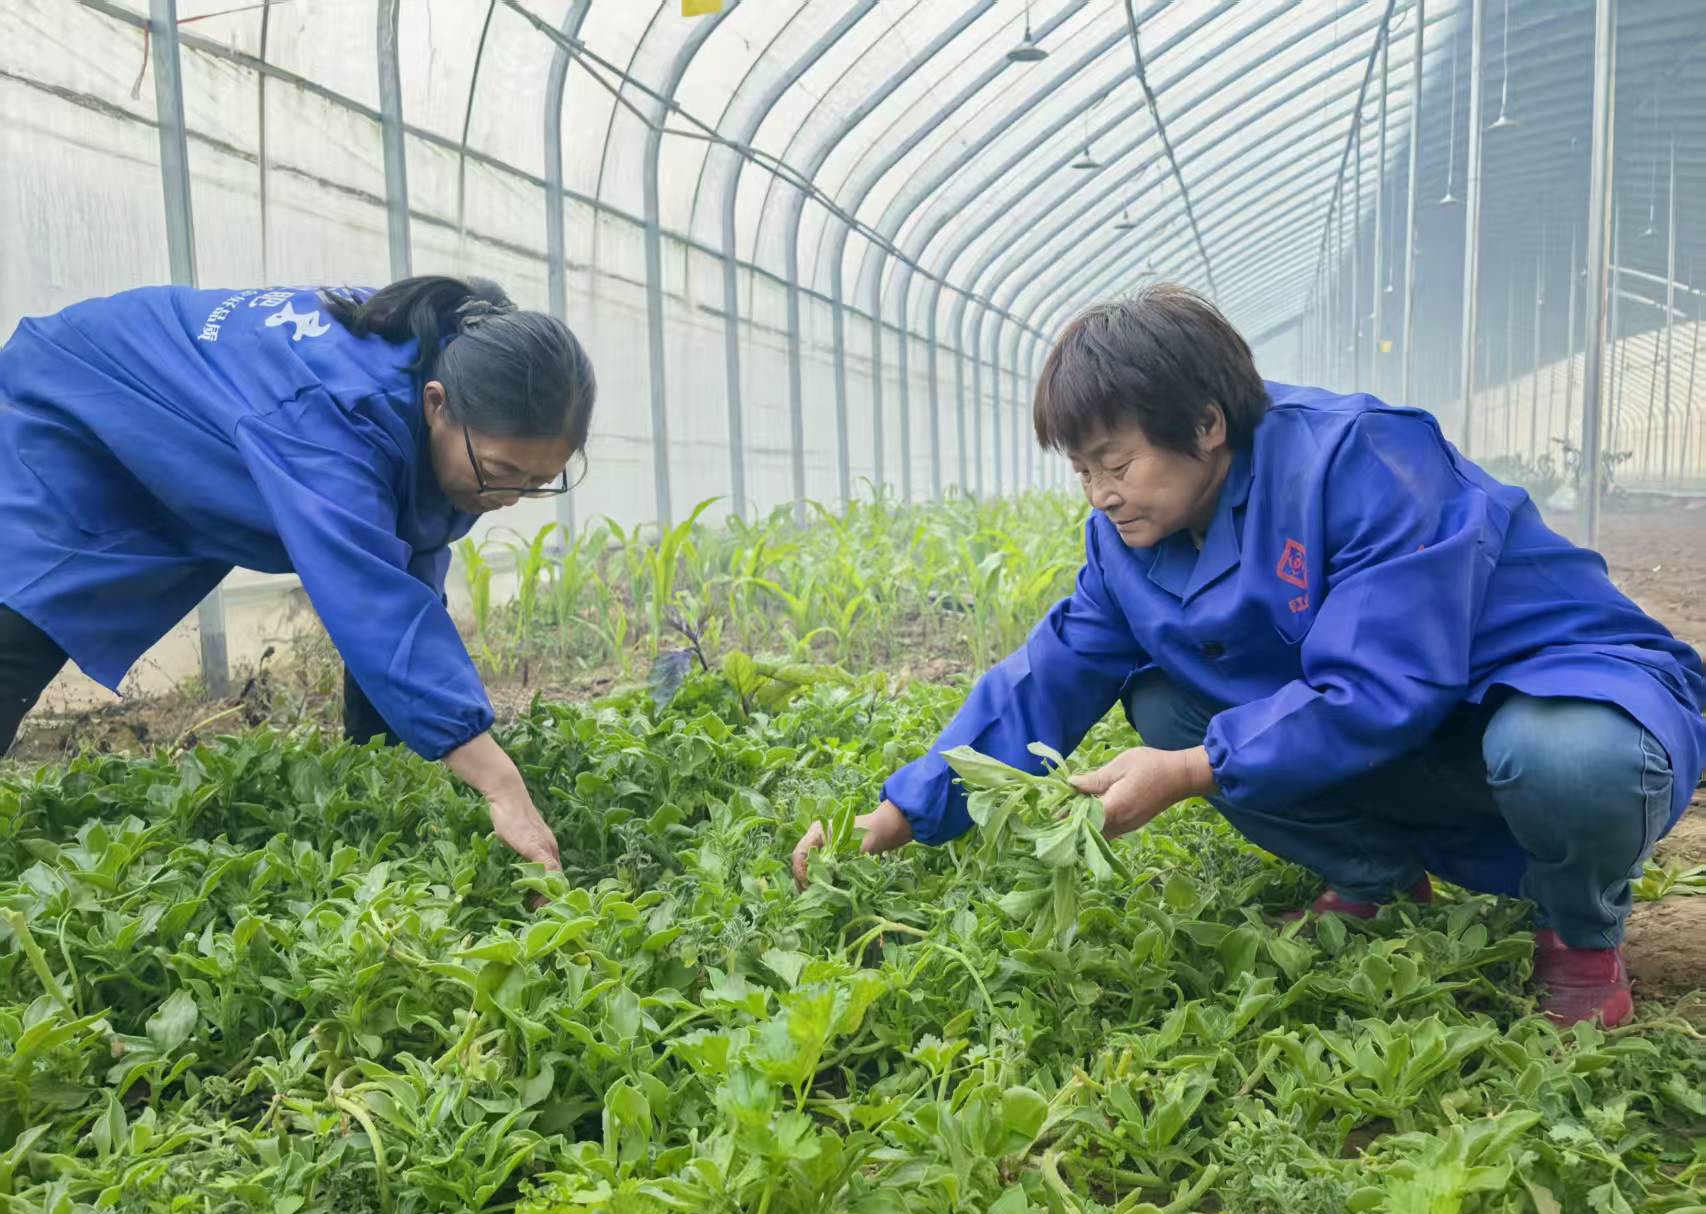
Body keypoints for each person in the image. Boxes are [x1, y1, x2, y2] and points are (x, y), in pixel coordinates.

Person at [799, 285, 1706, 1028]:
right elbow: (1047, 675)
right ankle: (1377, 882)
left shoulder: (1360, 459)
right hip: (1412, 731)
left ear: (1206, 424)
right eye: (1082, 471)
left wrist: (1196, 769)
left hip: (1558, 691)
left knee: (1566, 756)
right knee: (1167, 702)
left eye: (1116, 462)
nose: (1100, 493)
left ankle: (1578, 935)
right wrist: (903, 807)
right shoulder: (1127, 541)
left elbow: (1386, 679)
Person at [0, 275, 594, 872]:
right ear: (436, 405)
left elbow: (403, 585)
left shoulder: (456, 359)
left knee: (398, 601)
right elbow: (369, 601)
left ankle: (380, 775)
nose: (511, 498)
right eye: (501, 471)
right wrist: (500, 784)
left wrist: (419, 756)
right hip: (75, 396)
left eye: (538, 482)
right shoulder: (335, 414)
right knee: (23, 621)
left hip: (173, 409)